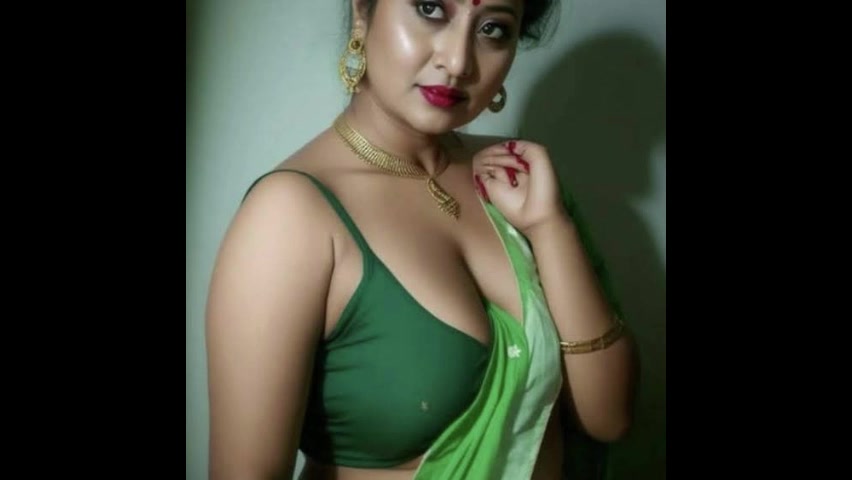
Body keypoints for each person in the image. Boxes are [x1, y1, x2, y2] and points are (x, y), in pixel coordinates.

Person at [205, 0, 637, 479]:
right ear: (362, 13)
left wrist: (551, 228)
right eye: (430, 8)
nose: (458, 61)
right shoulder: (291, 216)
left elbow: (608, 417)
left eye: (493, 29)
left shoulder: (518, 179)